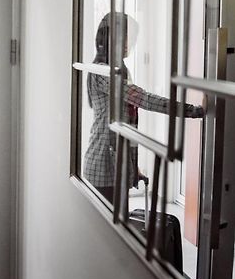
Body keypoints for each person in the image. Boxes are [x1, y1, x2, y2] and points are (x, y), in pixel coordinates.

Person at [83, 12, 205, 205]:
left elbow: (126, 126)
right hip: (102, 167)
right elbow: (144, 99)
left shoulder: (119, 69)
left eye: (130, 39)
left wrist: (133, 168)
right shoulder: (103, 72)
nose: (127, 45)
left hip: (115, 166)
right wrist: (192, 110)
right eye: (124, 38)